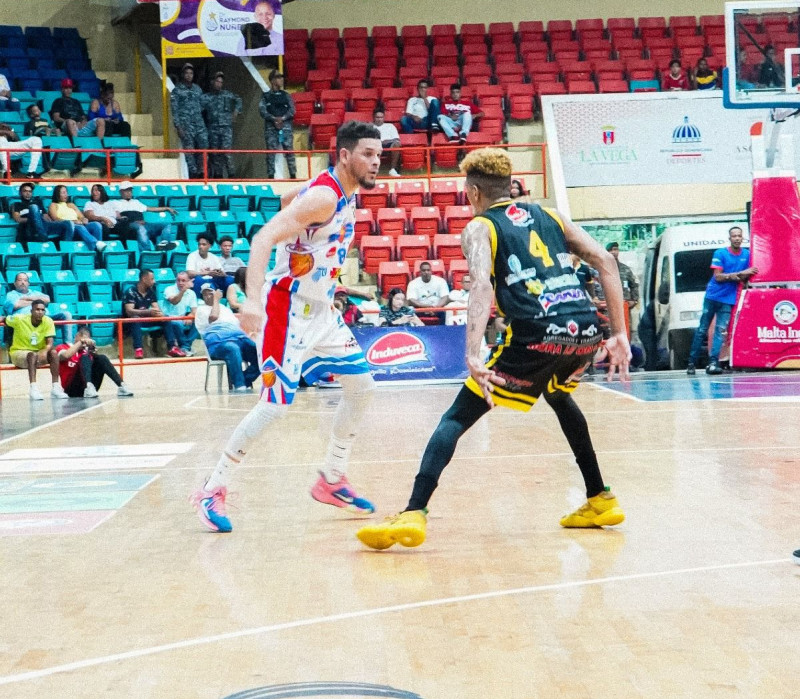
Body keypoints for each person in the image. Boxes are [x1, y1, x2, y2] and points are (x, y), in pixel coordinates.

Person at [356, 147, 630, 552]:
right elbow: (605, 261)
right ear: (510, 186)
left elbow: (481, 285)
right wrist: (620, 333)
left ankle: (414, 511)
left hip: (537, 333)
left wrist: (472, 354)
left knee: (456, 417)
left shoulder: (480, 227)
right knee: (557, 395)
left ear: (472, 192)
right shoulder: (549, 214)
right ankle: (599, 498)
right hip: (585, 330)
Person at [190, 120, 383, 533]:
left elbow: (284, 199)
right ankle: (212, 487)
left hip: (321, 310)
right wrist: (254, 300)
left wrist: (312, 263)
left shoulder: (336, 190)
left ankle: (332, 478)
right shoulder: (323, 198)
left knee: (363, 388)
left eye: (379, 155)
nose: (376, 162)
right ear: (345, 156)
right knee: (275, 404)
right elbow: (262, 238)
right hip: (287, 308)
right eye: (368, 154)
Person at [686, 226, 757, 376]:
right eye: (734, 236)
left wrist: (740, 276)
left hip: (728, 299)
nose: (737, 238)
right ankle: (691, 362)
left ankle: (713, 362)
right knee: (702, 329)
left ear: (742, 237)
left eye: (739, 236)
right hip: (712, 296)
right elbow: (718, 276)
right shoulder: (720, 253)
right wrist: (738, 274)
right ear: (729, 238)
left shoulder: (747, 255)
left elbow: (746, 275)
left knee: (720, 331)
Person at [195, 285, 259, 392]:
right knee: (232, 348)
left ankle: (244, 379)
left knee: (260, 351)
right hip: (218, 344)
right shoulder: (201, 309)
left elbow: (238, 326)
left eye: (210, 293)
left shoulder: (225, 309)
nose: (207, 296)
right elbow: (213, 317)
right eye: (204, 294)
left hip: (238, 338)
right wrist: (216, 300)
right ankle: (240, 385)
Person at [6, 299, 67, 401]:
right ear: (31, 311)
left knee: (53, 353)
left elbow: (49, 343)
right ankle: (33, 389)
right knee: (32, 355)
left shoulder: (48, 321)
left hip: (38, 353)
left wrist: (44, 351)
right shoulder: (19, 319)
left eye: (42, 310)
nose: (40, 312)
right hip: (18, 353)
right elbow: (5, 319)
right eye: (37, 309)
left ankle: (56, 388)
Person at [56, 326, 133, 398]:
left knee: (102, 358)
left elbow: (97, 364)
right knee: (85, 356)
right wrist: (80, 343)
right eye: (83, 338)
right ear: (77, 336)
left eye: (87, 339)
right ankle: (88, 386)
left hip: (91, 387)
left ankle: (121, 385)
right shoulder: (63, 347)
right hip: (71, 388)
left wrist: (92, 351)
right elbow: (65, 356)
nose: (85, 341)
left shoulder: (85, 351)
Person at [123, 269, 182, 359]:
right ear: (144, 279)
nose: (154, 281)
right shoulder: (131, 291)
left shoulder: (151, 292)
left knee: (165, 319)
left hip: (145, 319)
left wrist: (161, 315)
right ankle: (138, 349)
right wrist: (148, 312)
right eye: (152, 279)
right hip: (129, 322)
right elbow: (129, 311)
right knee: (135, 318)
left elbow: (157, 308)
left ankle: (172, 347)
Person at [4, 272, 74, 346]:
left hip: (46, 318)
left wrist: (27, 298)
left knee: (66, 315)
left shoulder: (34, 292)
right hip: (27, 321)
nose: (23, 282)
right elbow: (16, 305)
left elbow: (47, 299)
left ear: (28, 283)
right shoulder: (11, 294)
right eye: (20, 280)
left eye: (25, 280)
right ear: (15, 283)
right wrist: (38, 302)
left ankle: (68, 343)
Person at [104, 182, 178, 251]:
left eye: (130, 190)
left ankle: (164, 243)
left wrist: (166, 208)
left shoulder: (136, 202)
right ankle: (147, 250)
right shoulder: (115, 202)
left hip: (144, 224)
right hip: (130, 225)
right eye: (126, 190)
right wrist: (120, 217)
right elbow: (115, 213)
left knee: (166, 224)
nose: (129, 192)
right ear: (121, 192)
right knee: (140, 227)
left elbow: (150, 208)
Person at [170, 64, 208, 179]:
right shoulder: (177, 90)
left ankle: (202, 171)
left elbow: (202, 105)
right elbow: (174, 109)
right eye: (186, 73)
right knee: (189, 150)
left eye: (191, 73)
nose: (189, 75)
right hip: (186, 125)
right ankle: (193, 173)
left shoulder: (197, 89)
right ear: (182, 74)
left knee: (204, 146)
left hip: (199, 123)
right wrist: (178, 126)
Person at [258, 71, 296, 180]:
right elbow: (262, 111)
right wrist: (273, 119)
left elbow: (292, 110)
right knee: (270, 154)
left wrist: (282, 119)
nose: (281, 80)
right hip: (271, 128)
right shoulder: (265, 97)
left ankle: (293, 176)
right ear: (273, 80)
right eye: (279, 77)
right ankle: (271, 176)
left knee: (289, 152)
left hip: (286, 128)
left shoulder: (286, 95)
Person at [204, 72, 242, 179]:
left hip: (226, 128)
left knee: (226, 152)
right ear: (212, 82)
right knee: (215, 153)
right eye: (217, 81)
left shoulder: (227, 94)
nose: (219, 84)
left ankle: (232, 174)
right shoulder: (206, 97)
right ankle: (218, 175)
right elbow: (198, 108)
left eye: (221, 82)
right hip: (213, 128)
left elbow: (239, 100)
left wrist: (236, 111)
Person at [48, 185, 105, 251]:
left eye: (66, 192)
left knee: (96, 225)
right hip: (69, 228)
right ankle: (96, 245)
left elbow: (81, 216)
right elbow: (56, 219)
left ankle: (98, 248)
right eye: (63, 193)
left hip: (80, 226)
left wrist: (84, 219)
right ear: (57, 194)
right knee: (79, 227)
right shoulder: (53, 205)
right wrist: (74, 222)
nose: (66, 195)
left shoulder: (71, 205)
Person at [160, 270, 198, 355]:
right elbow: (174, 301)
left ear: (188, 281)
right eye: (178, 280)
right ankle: (185, 347)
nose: (180, 283)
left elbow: (194, 310)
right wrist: (183, 291)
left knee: (200, 322)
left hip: (183, 317)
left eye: (183, 281)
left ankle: (185, 347)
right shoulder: (169, 289)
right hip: (169, 318)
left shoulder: (191, 293)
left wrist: (190, 316)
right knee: (177, 323)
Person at [605, 243, 639, 309]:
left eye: (615, 249)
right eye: (610, 250)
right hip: (606, 307)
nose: (613, 252)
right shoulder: (601, 269)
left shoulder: (625, 269)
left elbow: (634, 285)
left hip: (624, 305)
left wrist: (634, 300)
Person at [373, 108, 401, 176]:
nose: (379, 119)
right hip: (375, 145)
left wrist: (387, 141)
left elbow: (397, 139)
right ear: (374, 118)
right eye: (377, 117)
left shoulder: (390, 126)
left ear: (384, 118)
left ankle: (393, 170)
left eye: (381, 117)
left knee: (397, 144)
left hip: (388, 145)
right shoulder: (370, 127)